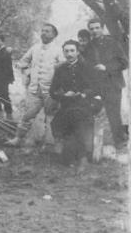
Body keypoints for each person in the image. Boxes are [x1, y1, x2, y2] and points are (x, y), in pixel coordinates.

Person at [7, 23, 64, 148]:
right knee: (27, 116)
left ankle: (48, 144)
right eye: (42, 31)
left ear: (54, 35)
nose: (43, 33)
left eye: (47, 31)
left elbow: (64, 69)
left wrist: (57, 83)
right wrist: (28, 73)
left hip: (51, 91)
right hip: (34, 89)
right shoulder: (35, 48)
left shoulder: (59, 50)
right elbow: (22, 62)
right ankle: (17, 138)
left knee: (50, 118)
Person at [50, 40, 101, 171]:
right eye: (66, 51)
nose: (69, 54)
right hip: (67, 104)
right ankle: (70, 155)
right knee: (60, 121)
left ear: (78, 52)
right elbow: (53, 91)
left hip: (85, 103)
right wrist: (64, 95)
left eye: (72, 51)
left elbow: (96, 87)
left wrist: (83, 94)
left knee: (78, 118)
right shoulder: (60, 69)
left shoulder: (87, 67)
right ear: (63, 53)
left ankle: (83, 158)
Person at [84, 18, 128, 149]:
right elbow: (87, 66)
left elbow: (124, 63)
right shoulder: (89, 46)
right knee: (90, 112)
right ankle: (91, 145)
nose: (95, 31)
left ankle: (119, 142)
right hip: (96, 86)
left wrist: (106, 67)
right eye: (92, 29)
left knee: (113, 114)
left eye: (97, 28)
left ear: (102, 28)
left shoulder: (113, 43)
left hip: (112, 84)